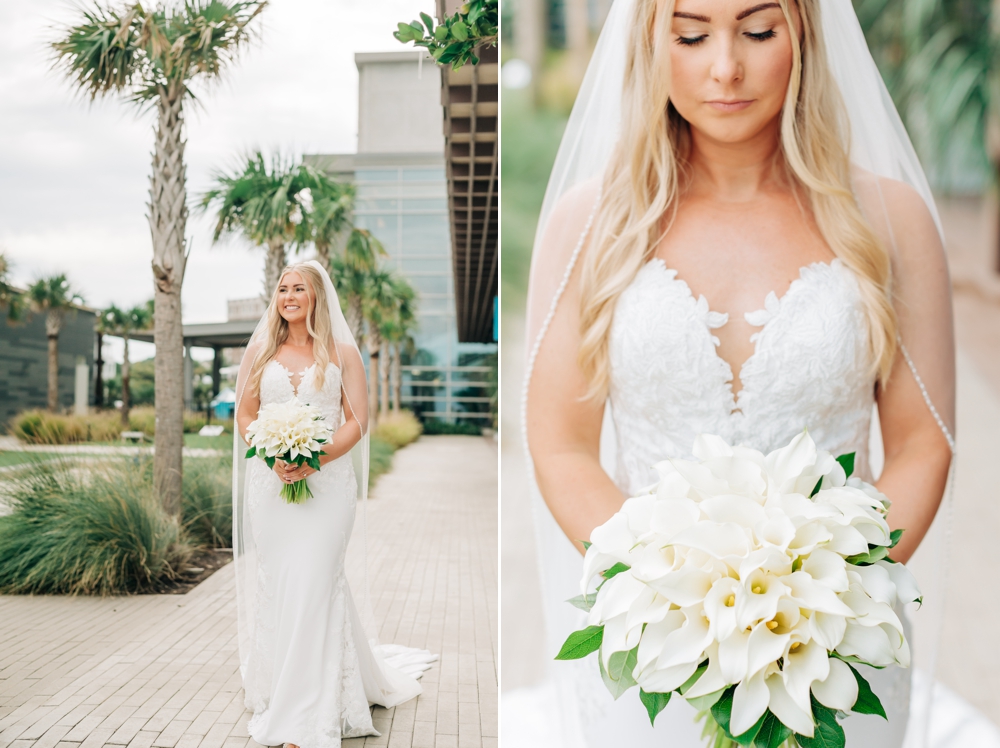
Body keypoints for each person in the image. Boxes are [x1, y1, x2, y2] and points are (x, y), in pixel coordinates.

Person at [522, 0, 956, 746]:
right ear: (650, 42)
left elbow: (923, 444)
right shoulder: (589, 224)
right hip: (655, 650)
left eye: (758, 31)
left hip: (831, 653)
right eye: (691, 35)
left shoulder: (889, 220)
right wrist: (673, 607)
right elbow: (560, 442)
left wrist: (828, 603)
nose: (726, 66)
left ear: (806, 36)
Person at [233, 260, 436, 748]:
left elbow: (357, 420)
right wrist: (272, 453)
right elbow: (245, 411)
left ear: (317, 296)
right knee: (284, 584)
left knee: (317, 580)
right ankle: (285, 687)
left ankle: (308, 713)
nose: (288, 296)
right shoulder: (261, 352)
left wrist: (313, 457)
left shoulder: (343, 351)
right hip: (272, 484)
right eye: (282, 289)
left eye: (298, 287)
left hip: (328, 485)